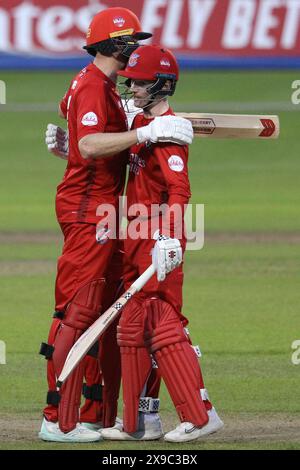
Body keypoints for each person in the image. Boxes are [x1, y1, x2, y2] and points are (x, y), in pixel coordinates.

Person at [38, 7, 193, 443]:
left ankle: (95, 413)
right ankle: (56, 418)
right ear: (112, 46)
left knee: (101, 314)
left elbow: (74, 121)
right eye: (129, 43)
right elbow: (90, 143)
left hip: (101, 207)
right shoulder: (93, 84)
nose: (135, 52)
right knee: (76, 312)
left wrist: (71, 145)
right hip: (87, 209)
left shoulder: (95, 85)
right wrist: (144, 135)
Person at [98, 44, 224, 443]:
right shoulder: (145, 128)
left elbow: (179, 191)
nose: (131, 87)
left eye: (139, 82)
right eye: (130, 80)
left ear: (162, 84)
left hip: (157, 239)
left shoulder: (170, 134)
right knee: (132, 329)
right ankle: (140, 422)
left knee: (164, 325)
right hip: (135, 238)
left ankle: (201, 415)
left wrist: (170, 236)